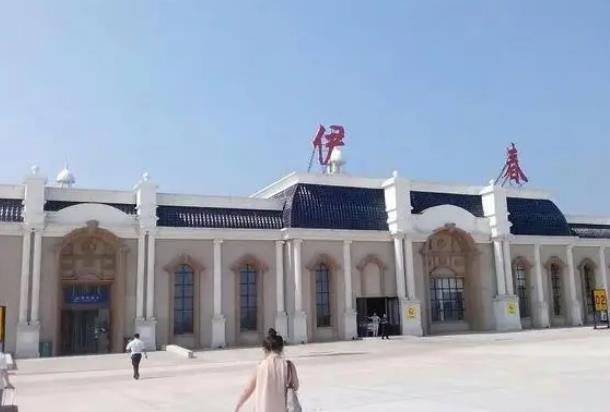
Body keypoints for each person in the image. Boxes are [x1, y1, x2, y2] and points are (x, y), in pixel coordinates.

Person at [234, 328, 300, 412]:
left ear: (265, 349)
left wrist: (238, 406)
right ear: (282, 348)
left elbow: (247, 390)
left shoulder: (260, 367)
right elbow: (296, 386)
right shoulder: (289, 366)